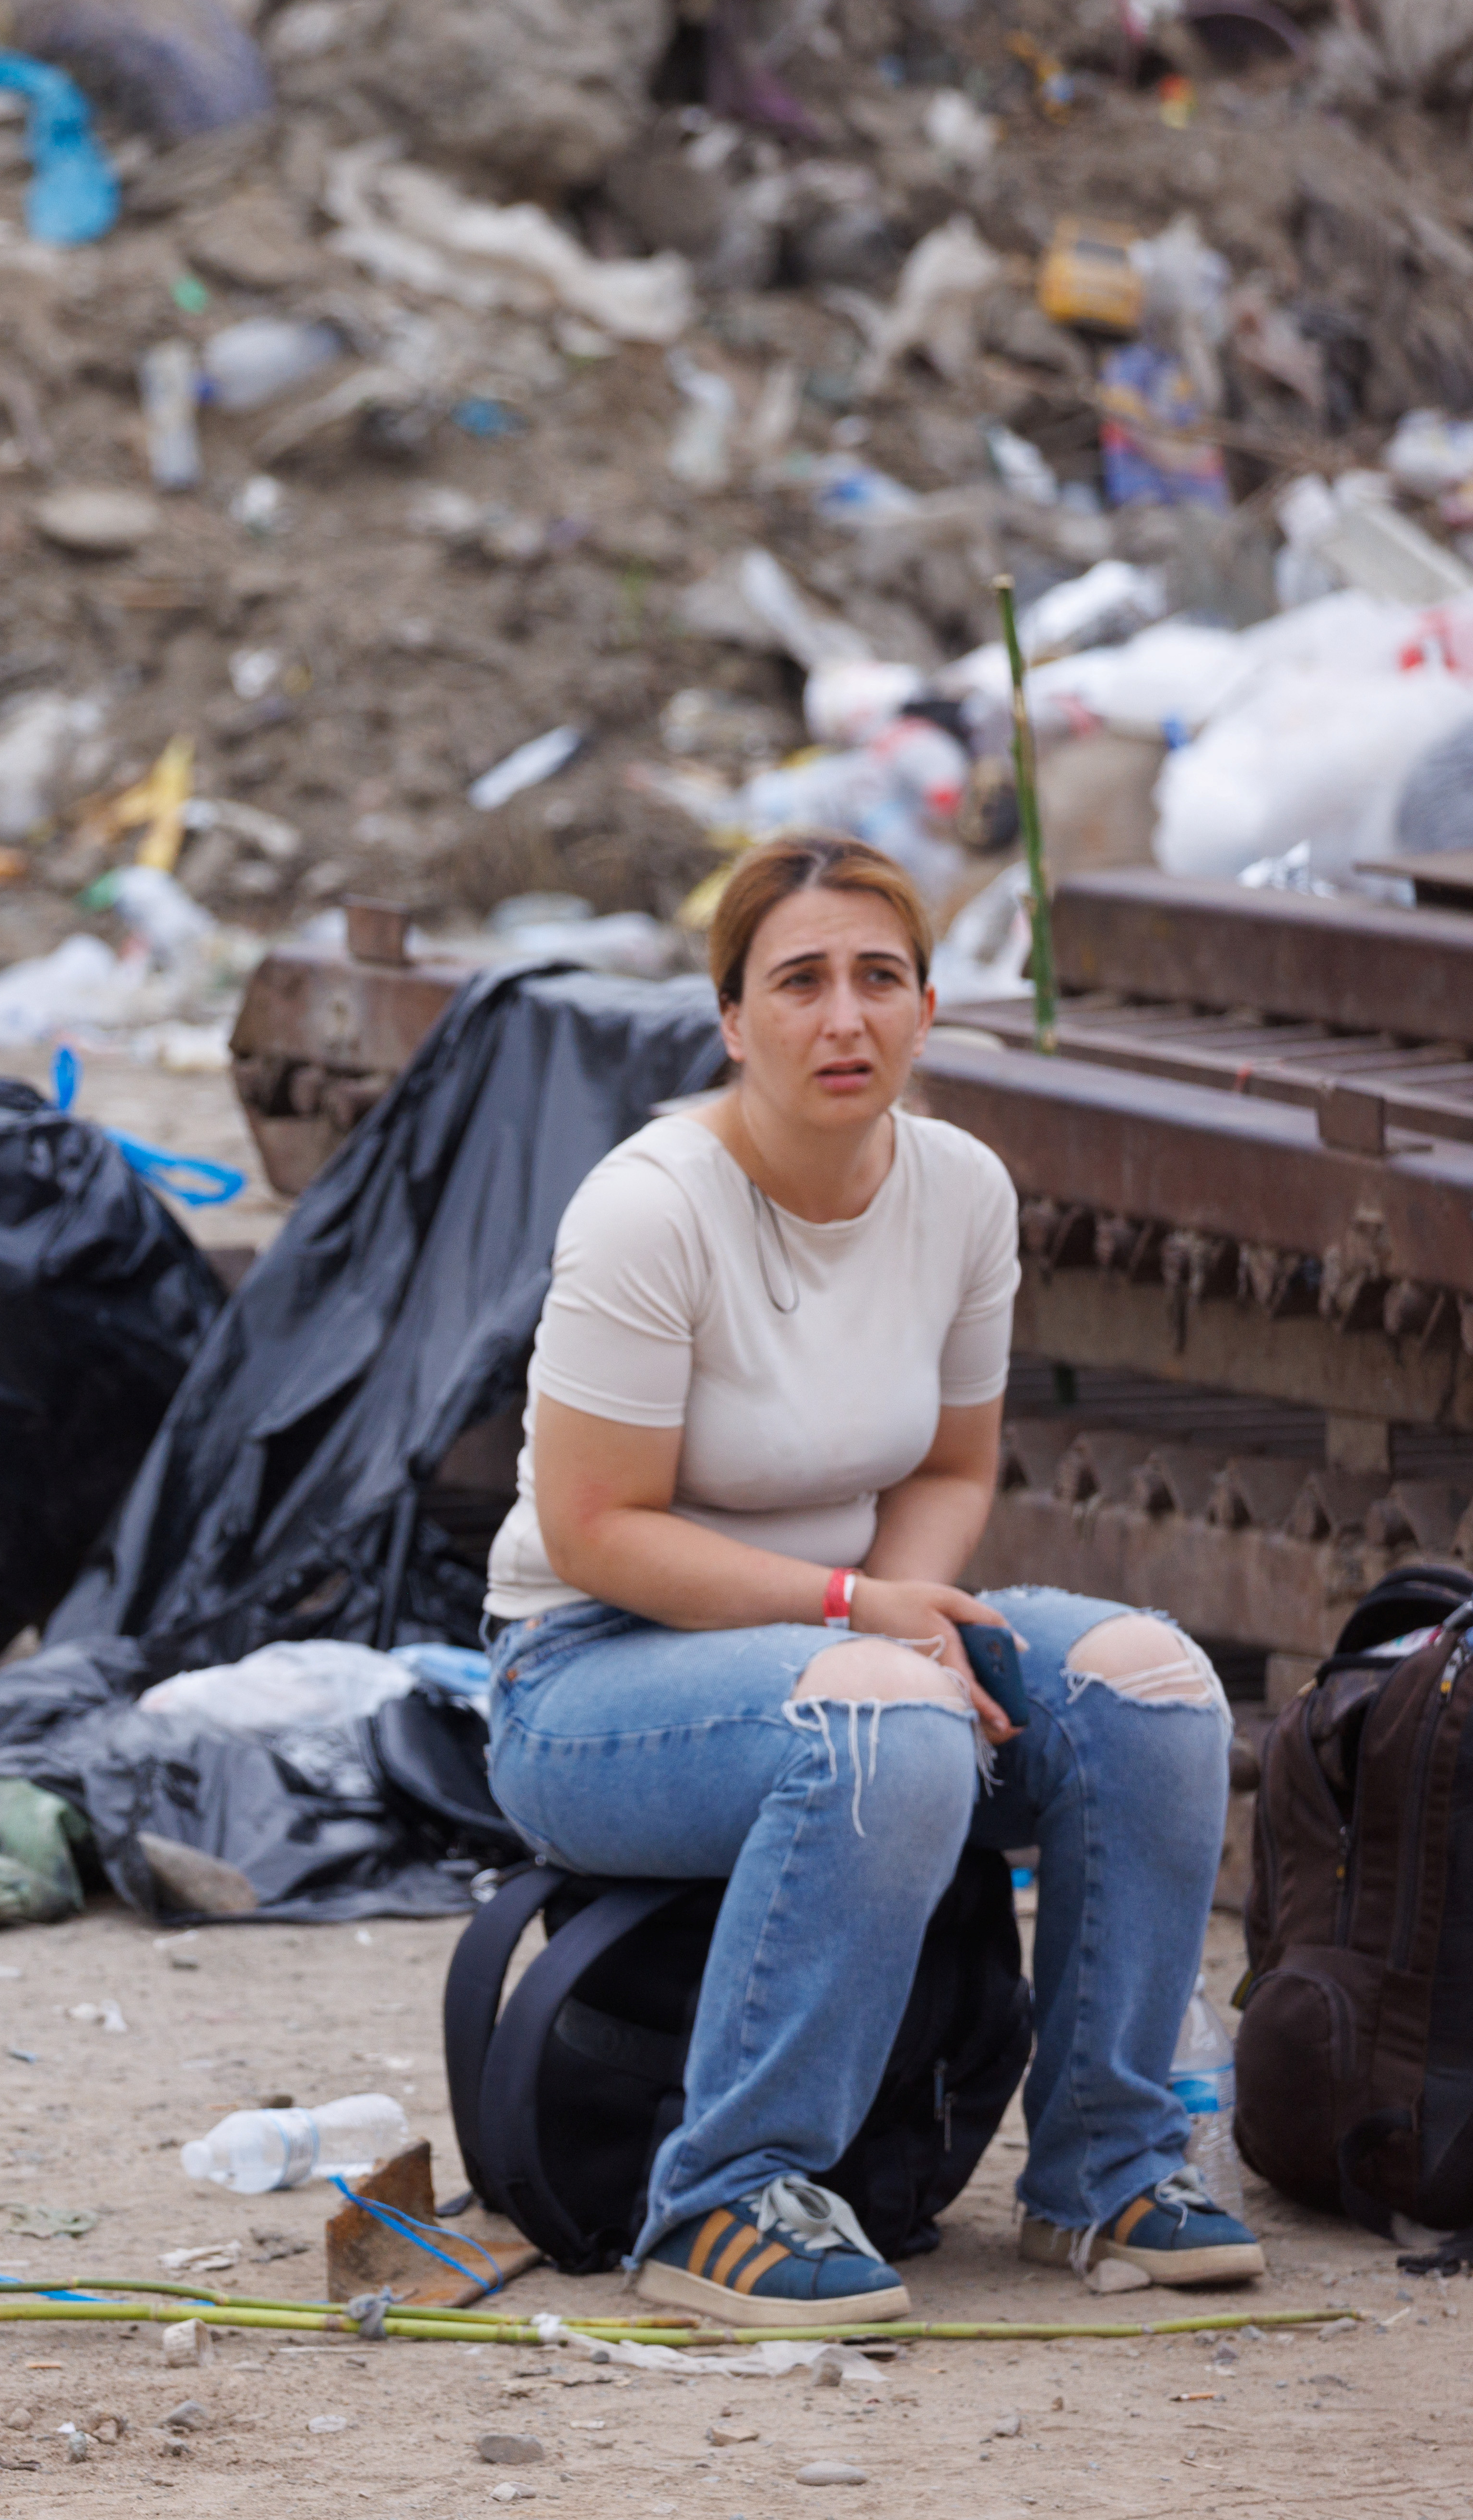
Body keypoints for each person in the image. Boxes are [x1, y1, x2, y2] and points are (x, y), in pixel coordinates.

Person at [476, 832, 1255, 2327]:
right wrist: (860, 1624)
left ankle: (1106, 2165)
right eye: (800, 983)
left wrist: (919, 1625)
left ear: (925, 1008)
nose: (843, 1018)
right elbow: (592, 1531)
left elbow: (952, 1468)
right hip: (588, 1678)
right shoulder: (651, 1209)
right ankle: (721, 2200)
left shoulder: (959, 1188)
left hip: (848, 1643)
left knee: (1147, 1691)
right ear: (730, 1019)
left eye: (877, 980)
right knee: (881, 1725)